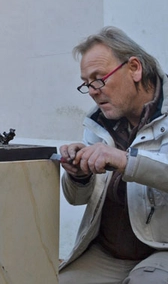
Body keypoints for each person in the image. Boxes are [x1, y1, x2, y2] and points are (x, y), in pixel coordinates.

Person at [59, 26, 168, 283]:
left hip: (162, 249)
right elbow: (78, 200)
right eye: (87, 84)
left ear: (134, 69)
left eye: (99, 78)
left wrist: (124, 161)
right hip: (108, 254)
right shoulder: (98, 121)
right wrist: (79, 175)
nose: (93, 90)